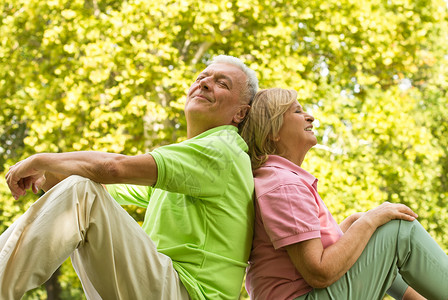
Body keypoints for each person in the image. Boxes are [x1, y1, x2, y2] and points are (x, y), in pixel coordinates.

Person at [1, 55, 259, 300]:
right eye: (201, 77)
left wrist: (39, 161)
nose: (204, 83)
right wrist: (47, 176)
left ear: (240, 113)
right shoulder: (192, 163)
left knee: (81, 190)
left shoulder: (223, 149)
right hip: (165, 288)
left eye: (221, 83)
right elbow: (94, 195)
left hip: (186, 292)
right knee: (81, 189)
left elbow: (112, 169)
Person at [240, 88, 448, 300]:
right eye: (297, 112)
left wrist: (352, 225)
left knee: (371, 240)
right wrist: (369, 221)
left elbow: (304, 256)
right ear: (273, 132)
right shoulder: (283, 185)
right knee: (399, 230)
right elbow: (318, 272)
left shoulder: (277, 179)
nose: (309, 116)